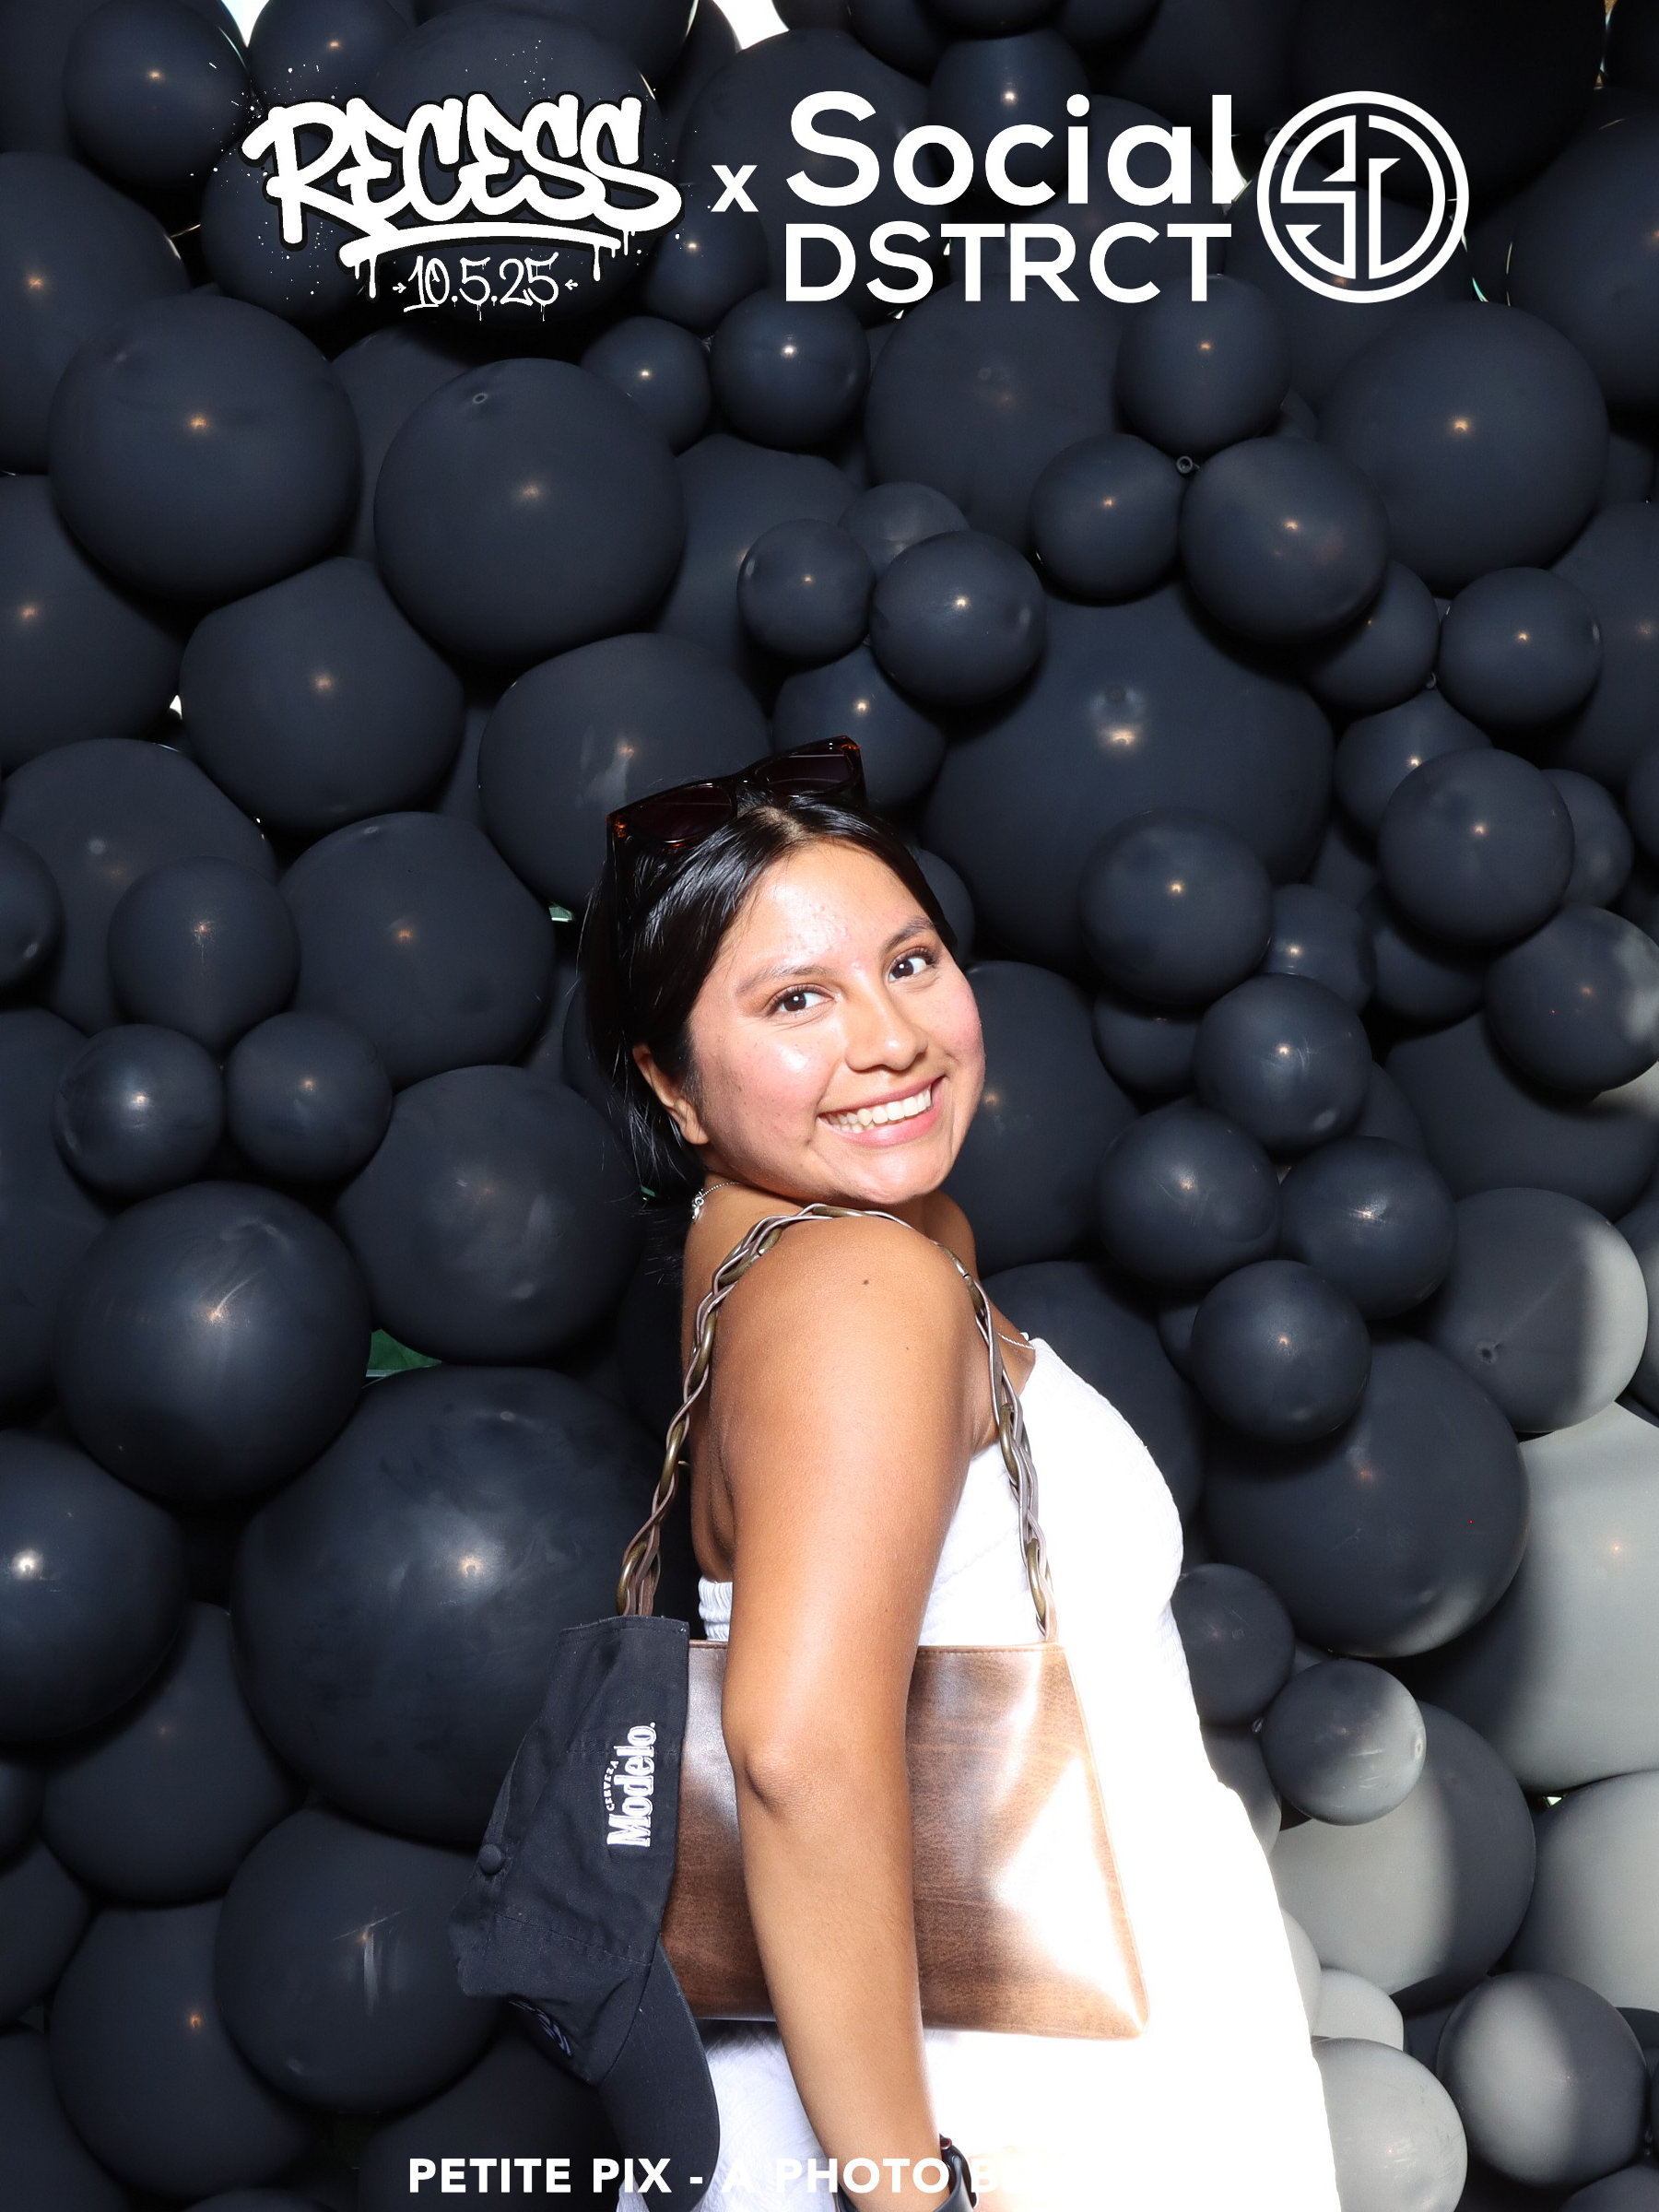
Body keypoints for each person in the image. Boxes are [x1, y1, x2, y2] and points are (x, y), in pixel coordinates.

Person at [579, 739, 1340, 2212]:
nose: (891, 1040)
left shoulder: (810, 1246)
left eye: (909, 963)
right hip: (1014, 2104)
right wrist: (904, 2191)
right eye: (795, 1000)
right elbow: (794, 1753)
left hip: (1032, 2044)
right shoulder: (856, 1286)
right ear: (671, 1084)